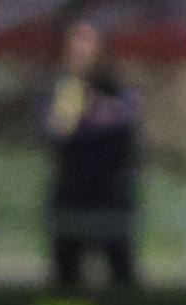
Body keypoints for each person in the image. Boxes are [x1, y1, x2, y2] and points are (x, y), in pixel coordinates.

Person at [43, 19, 140, 289]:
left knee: (121, 274)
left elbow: (122, 131)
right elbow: (57, 133)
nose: (81, 51)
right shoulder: (65, 90)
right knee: (66, 276)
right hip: (72, 194)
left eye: (88, 43)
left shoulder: (118, 92)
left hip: (109, 196)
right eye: (75, 44)